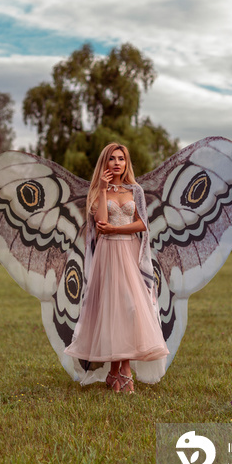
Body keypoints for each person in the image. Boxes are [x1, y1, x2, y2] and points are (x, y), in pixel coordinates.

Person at [64, 143, 169, 393]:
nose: (117, 163)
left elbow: (143, 224)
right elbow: (100, 223)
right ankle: (123, 373)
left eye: (121, 158)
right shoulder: (98, 192)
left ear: (126, 163)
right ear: (105, 163)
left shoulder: (136, 191)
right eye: (112, 159)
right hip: (108, 253)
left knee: (131, 307)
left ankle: (118, 372)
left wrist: (118, 229)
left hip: (130, 252)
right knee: (114, 308)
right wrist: (101, 189)